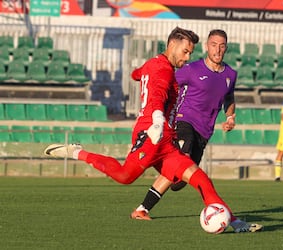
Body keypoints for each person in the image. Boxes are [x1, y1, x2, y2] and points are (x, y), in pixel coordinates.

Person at [44, 27, 263, 233]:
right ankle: (77, 152)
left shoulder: (157, 64)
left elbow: (136, 74)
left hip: (166, 141)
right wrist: (157, 121)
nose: (187, 58)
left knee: (200, 179)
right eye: (185, 51)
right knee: (124, 176)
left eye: (190, 53)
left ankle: (234, 221)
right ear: (172, 45)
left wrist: (141, 74)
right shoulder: (165, 70)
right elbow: (157, 96)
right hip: (151, 134)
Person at [130, 29, 240, 224]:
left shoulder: (231, 74)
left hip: (204, 132)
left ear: (226, 48)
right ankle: (220, 211)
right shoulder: (191, 69)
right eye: (214, 44)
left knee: (177, 179)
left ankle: (142, 209)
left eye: (222, 45)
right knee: (184, 162)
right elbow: (165, 81)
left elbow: (229, 97)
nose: (218, 49)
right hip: (184, 122)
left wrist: (230, 116)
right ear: (207, 46)